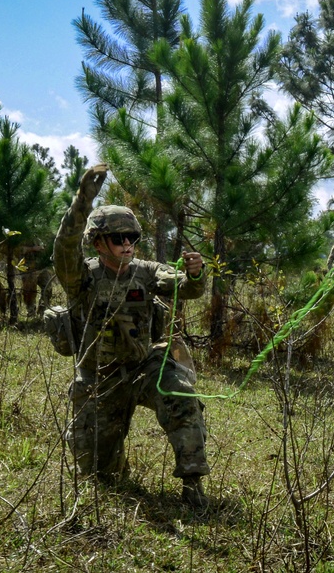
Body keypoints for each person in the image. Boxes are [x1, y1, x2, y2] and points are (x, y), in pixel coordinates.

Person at [52, 164, 211, 506]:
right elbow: (64, 251)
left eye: (132, 238)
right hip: (99, 380)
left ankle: (193, 482)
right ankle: (114, 464)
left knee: (180, 394)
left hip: (144, 368)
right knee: (99, 473)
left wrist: (195, 276)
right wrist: (82, 202)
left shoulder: (147, 271)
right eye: (118, 238)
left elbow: (183, 287)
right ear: (98, 243)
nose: (127, 244)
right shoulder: (82, 278)